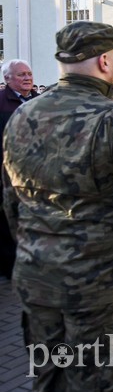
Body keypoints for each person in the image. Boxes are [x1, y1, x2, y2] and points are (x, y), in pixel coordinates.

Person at [3, 21, 113, 392]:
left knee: (50, 378)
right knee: (108, 383)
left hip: (37, 278)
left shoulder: (23, 115)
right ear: (104, 61)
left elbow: (11, 200)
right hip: (103, 287)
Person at [0, 59, 38, 278]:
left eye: (29, 74)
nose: (27, 78)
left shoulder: (39, 101)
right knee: (7, 222)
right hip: (8, 175)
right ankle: (10, 268)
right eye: (21, 75)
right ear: (7, 79)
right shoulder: (2, 102)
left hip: (36, 175)